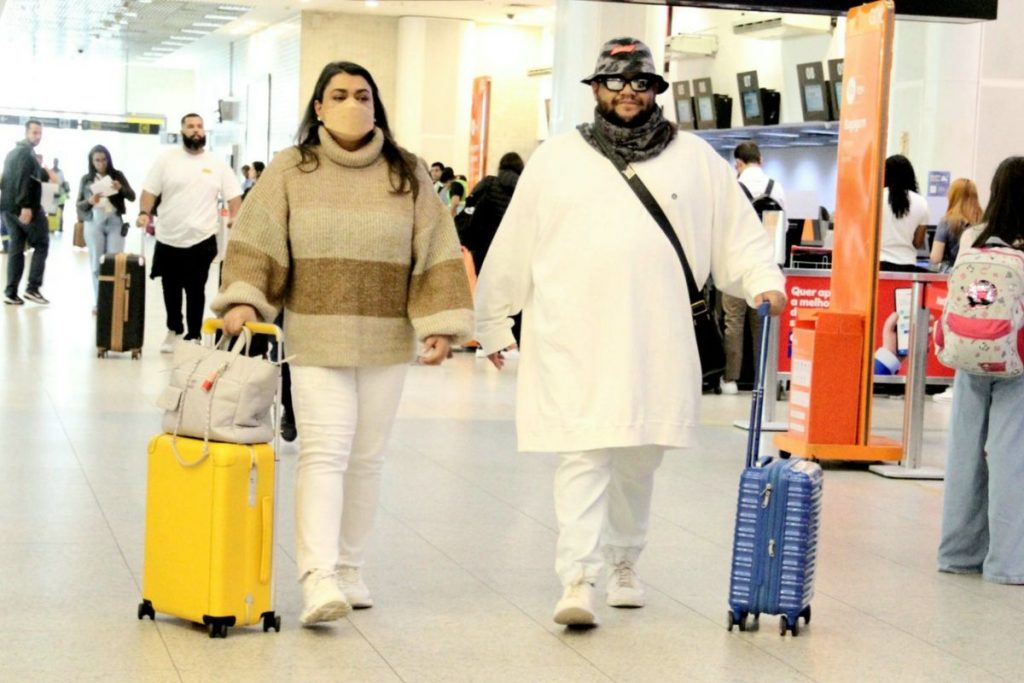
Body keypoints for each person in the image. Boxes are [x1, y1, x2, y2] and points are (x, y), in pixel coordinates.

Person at [473, 37, 785, 628]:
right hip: (575, 334)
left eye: (639, 83)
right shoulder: (558, 158)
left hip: (657, 336)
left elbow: (738, 235)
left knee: (640, 457)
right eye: (615, 83)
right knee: (584, 453)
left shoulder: (695, 159)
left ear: (655, 91)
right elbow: (515, 243)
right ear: (595, 89)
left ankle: (624, 561)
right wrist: (492, 318)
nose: (627, 94)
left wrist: (762, 278)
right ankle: (578, 577)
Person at [213, 60, 473, 627]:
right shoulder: (291, 169)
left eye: (362, 94)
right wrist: (244, 298)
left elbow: (434, 247)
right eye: (339, 94)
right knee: (325, 453)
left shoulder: (407, 173)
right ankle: (318, 575)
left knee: (368, 459)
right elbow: (256, 239)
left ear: (376, 105)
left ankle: (351, 567)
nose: (352, 103)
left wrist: (439, 323)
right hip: (316, 335)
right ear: (319, 107)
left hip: (386, 338)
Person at [938, 156, 1024, 585]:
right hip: (1019, 360)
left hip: (971, 354)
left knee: (964, 451)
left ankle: (957, 554)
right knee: (1012, 455)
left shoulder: (974, 236)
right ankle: (1008, 564)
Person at [136, 113, 243, 352]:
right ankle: (174, 329)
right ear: (182, 131)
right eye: (191, 127)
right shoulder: (166, 160)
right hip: (168, 237)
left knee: (196, 289)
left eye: (200, 127)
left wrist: (236, 216)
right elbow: (149, 191)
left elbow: (234, 195)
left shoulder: (216, 164)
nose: (196, 130)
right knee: (170, 289)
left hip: (202, 238)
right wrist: (144, 212)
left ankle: (194, 334)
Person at [719, 141, 788, 394]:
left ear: (738, 163)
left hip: (736, 265)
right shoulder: (777, 188)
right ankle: (764, 377)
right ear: (761, 159)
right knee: (762, 323)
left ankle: (731, 380)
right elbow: (785, 226)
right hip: (768, 265)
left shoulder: (733, 188)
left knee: (734, 322)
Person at [75, 145, 136, 310]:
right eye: (97, 160)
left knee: (115, 260)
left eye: (104, 160)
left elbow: (132, 196)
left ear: (108, 160)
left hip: (115, 221)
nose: (101, 164)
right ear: (92, 162)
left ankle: (114, 300)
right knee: (96, 263)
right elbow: (79, 204)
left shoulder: (117, 175)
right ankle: (100, 301)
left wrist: (120, 188)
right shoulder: (86, 179)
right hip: (94, 222)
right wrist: (90, 201)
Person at [1, 119, 51, 305]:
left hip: (7, 208)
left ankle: (11, 292)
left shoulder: (12, 153)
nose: (37, 137)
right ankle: (33, 288)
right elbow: (24, 180)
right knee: (42, 243)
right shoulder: (26, 155)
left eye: (40, 133)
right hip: (23, 207)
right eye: (34, 133)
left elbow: (5, 180)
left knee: (16, 247)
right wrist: (25, 205)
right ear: (26, 132)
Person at [879, 154, 930, 272]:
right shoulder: (922, 203)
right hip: (907, 265)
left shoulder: (876, 197)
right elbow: (918, 242)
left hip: (878, 263)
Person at [930, 177, 983, 272]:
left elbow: (935, 258)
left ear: (953, 196)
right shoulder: (983, 222)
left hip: (953, 275)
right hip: (977, 273)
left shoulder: (946, 222)